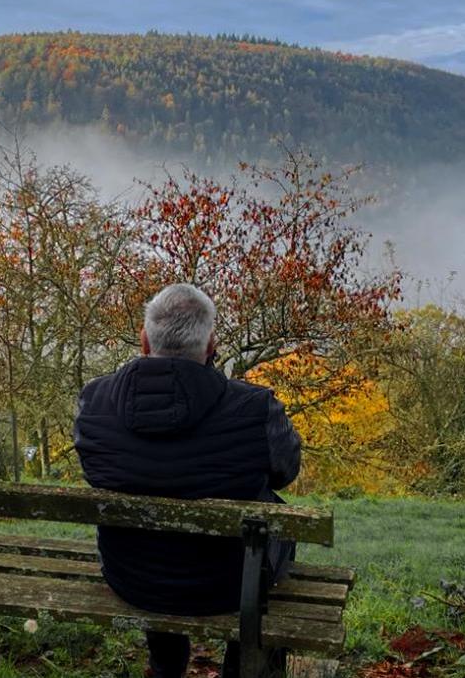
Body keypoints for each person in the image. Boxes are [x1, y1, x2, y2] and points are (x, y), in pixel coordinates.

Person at [73, 282, 302, 678]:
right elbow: (286, 472)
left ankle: (166, 666)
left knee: (159, 542)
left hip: (133, 577)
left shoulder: (95, 402)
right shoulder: (255, 408)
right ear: (211, 344)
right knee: (276, 530)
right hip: (229, 586)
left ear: (144, 341)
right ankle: (245, 667)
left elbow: (96, 471)